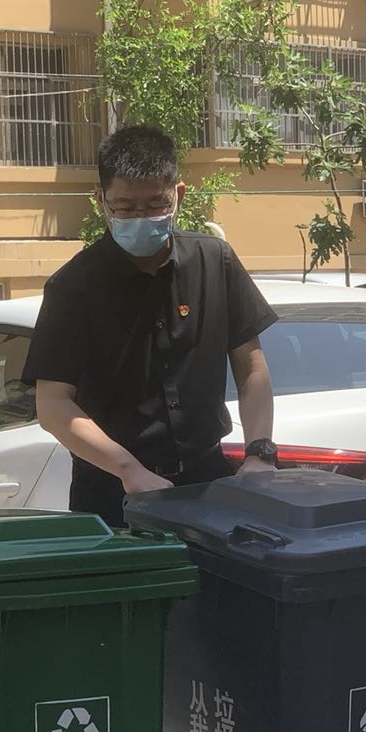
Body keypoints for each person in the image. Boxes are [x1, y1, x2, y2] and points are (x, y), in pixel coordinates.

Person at [23, 125, 278, 525]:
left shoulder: (215, 261)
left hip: (208, 483)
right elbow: (53, 405)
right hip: (112, 495)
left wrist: (259, 452)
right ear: (101, 200)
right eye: (125, 208)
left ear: (178, 195)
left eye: (155, 204)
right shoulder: (73, 286)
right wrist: (128, 469)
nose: (141, 217)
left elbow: (251, 366)